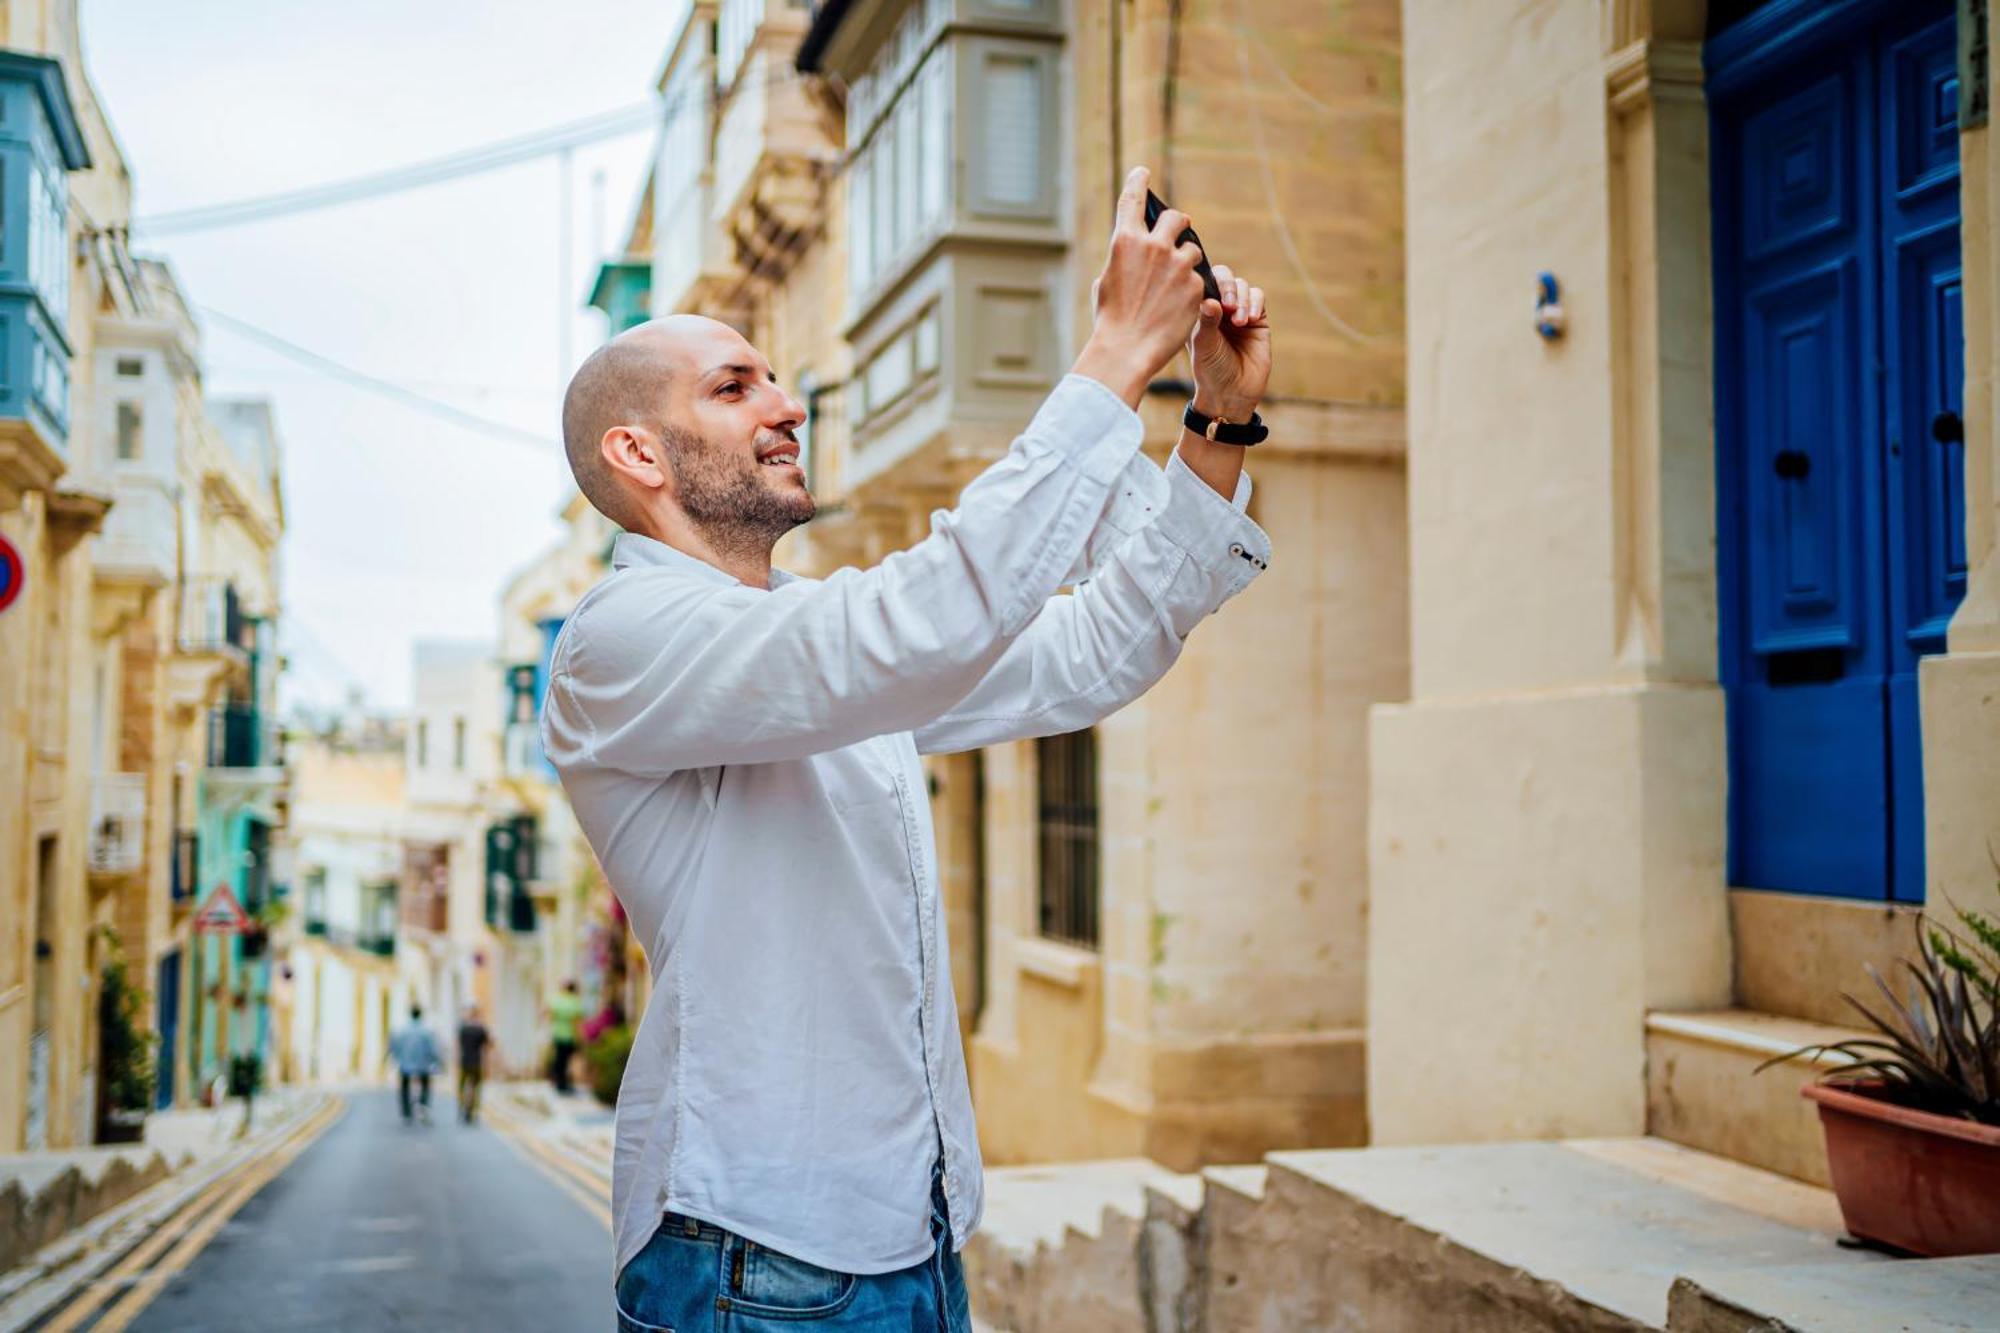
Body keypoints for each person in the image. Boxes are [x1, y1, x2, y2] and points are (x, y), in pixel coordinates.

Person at [545, 165, 1271, 1332]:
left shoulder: (818, 640)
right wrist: (1111, 358)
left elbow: (1090, 651)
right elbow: (914, 623)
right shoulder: (617, 642)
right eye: (735, 386)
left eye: (776, 378)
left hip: (917, 1235)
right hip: (752, 1260)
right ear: (639, 455)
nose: (785, 404)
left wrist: (1214, 423)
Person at [388, 1004, 441, 1125]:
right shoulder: (427, 1030)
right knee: (425, 1085)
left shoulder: (401, 1030)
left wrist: (396, 1058)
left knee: (404, 1087)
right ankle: (423, 1106)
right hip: (423, 1064)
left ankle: (406, 1113)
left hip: (405, 1064)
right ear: (420, 1014)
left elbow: (394, 1046)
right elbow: (432, 1048)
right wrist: (435, 1061)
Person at [545, 979, 583, 1095]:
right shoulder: (574, 1002)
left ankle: (558, 1083)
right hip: (569, 1036)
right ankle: (563, 1085)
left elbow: (549, 1014)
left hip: (558, 1034)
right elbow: (576, 1022)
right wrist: (580, 1037)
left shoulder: (557, 1000)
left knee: (559, 1060)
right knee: (566, 1061)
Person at [456, 1004, 491, 1124]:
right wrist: (486, 1065)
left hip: (464, 1061)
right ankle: (473, 1110)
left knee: (462, 1086)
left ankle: (463, 1105)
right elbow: (487, 1048)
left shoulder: (463, 1028)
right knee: (476, 1088)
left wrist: (456, 1061)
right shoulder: (481, 1029)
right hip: (477, 1062)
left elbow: (457, 1046)